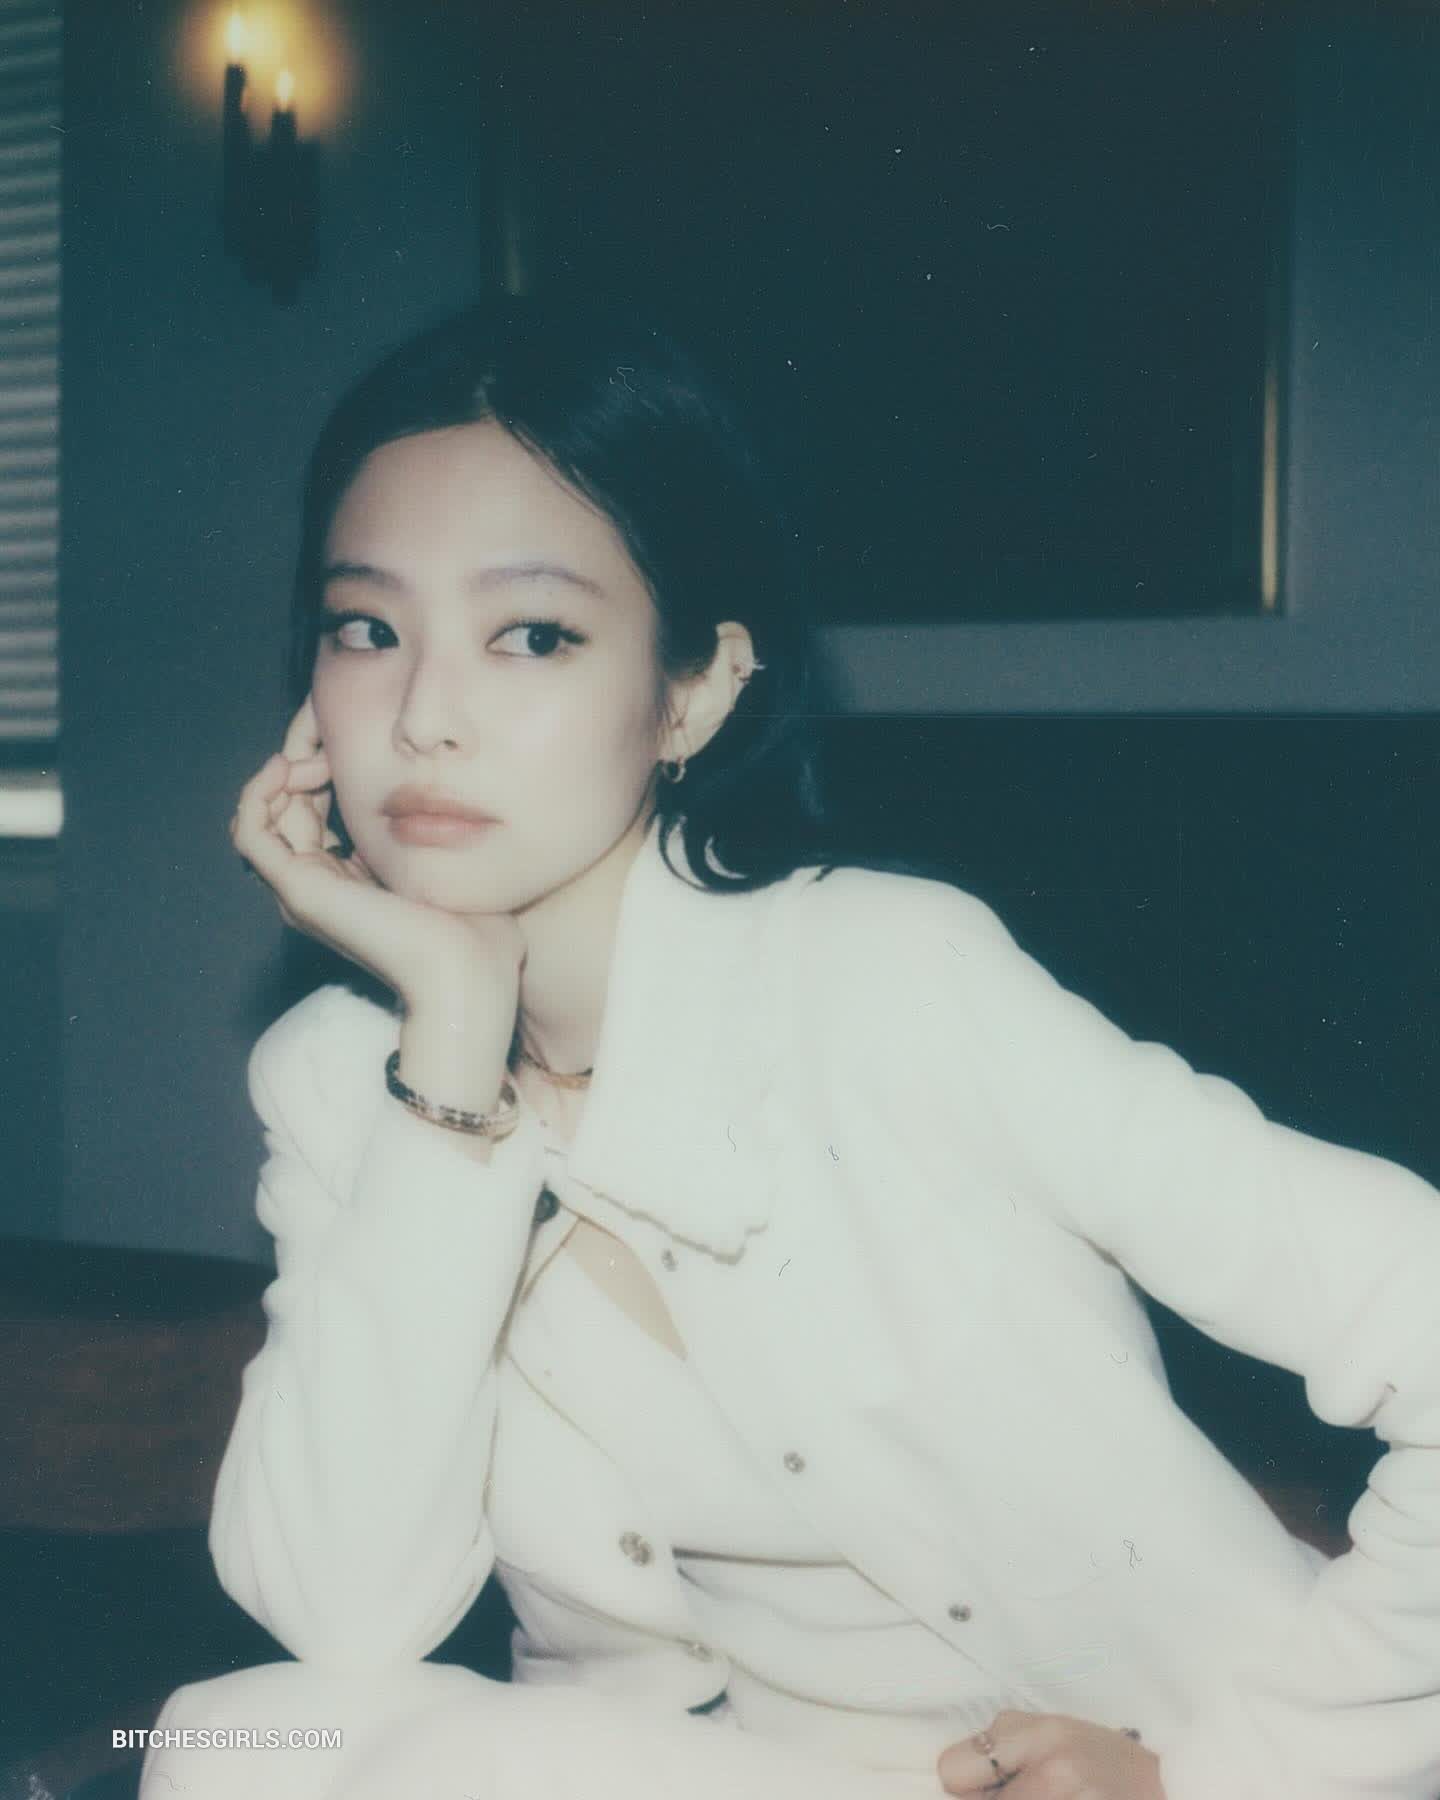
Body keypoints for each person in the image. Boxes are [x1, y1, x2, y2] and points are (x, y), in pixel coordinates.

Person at [141, 293, 1440, 1800]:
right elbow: (340, 1618)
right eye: (367, 629)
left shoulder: (887, 977)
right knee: (241, 1740)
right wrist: (450, 1049)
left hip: (1117, 1772)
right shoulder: (336, 1076)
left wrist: (1224, 1778)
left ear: (692, 693)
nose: (424, 714)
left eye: (533, 635)